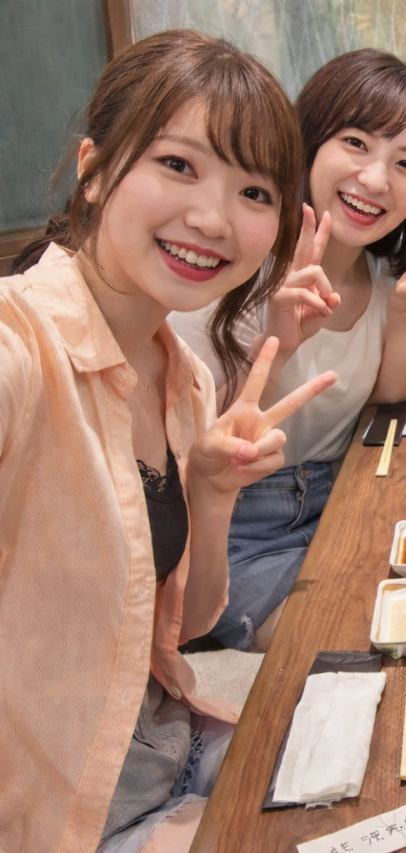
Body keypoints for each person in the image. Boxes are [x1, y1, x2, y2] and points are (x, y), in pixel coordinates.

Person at [0, 30, 337, 853]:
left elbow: (183, 626)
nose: (212, 218)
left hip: (171, 746)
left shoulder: (183, 379)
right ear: (94, 167)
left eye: (253, 191)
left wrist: (213, 493)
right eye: (178, 164)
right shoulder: (22, 344)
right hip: (67, 814)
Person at [171, 49, 406, 652]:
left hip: (340, 502)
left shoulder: (388, 280)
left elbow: (391, 417)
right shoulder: (230, 265)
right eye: (356, 142)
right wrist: (278, 343)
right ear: (309, 142)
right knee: (356, 635)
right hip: (233, 531)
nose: (376, 180)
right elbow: (187, 457)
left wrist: (402, 325)